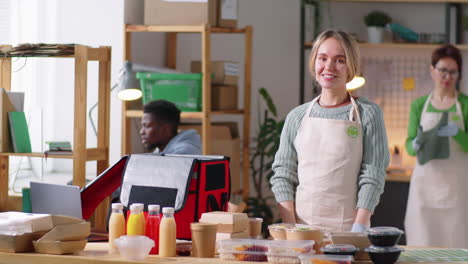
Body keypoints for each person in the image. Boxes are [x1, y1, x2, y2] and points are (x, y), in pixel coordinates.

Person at [270, 29, 390, 233]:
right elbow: (283, 173)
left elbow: (373, 174)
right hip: (300, 231)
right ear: (314, 62)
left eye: (339, 60)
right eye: (322, 58)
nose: (329, 67)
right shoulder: (296, 117)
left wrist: (359, 226)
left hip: (347, 230)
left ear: (351, 66)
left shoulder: (368, 114)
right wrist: (290, 226)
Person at [404, 44, 468, 248]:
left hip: (457, 193)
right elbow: (409, 145)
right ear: (432, 71)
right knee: (423, 245)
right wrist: (415, 144)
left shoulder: (465, 104)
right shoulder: (419, 105)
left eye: (453, 72)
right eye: (443, 70)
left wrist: (457, 133)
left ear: (459, 74)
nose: (447, 77)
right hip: (424, 192)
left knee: (456, 246)